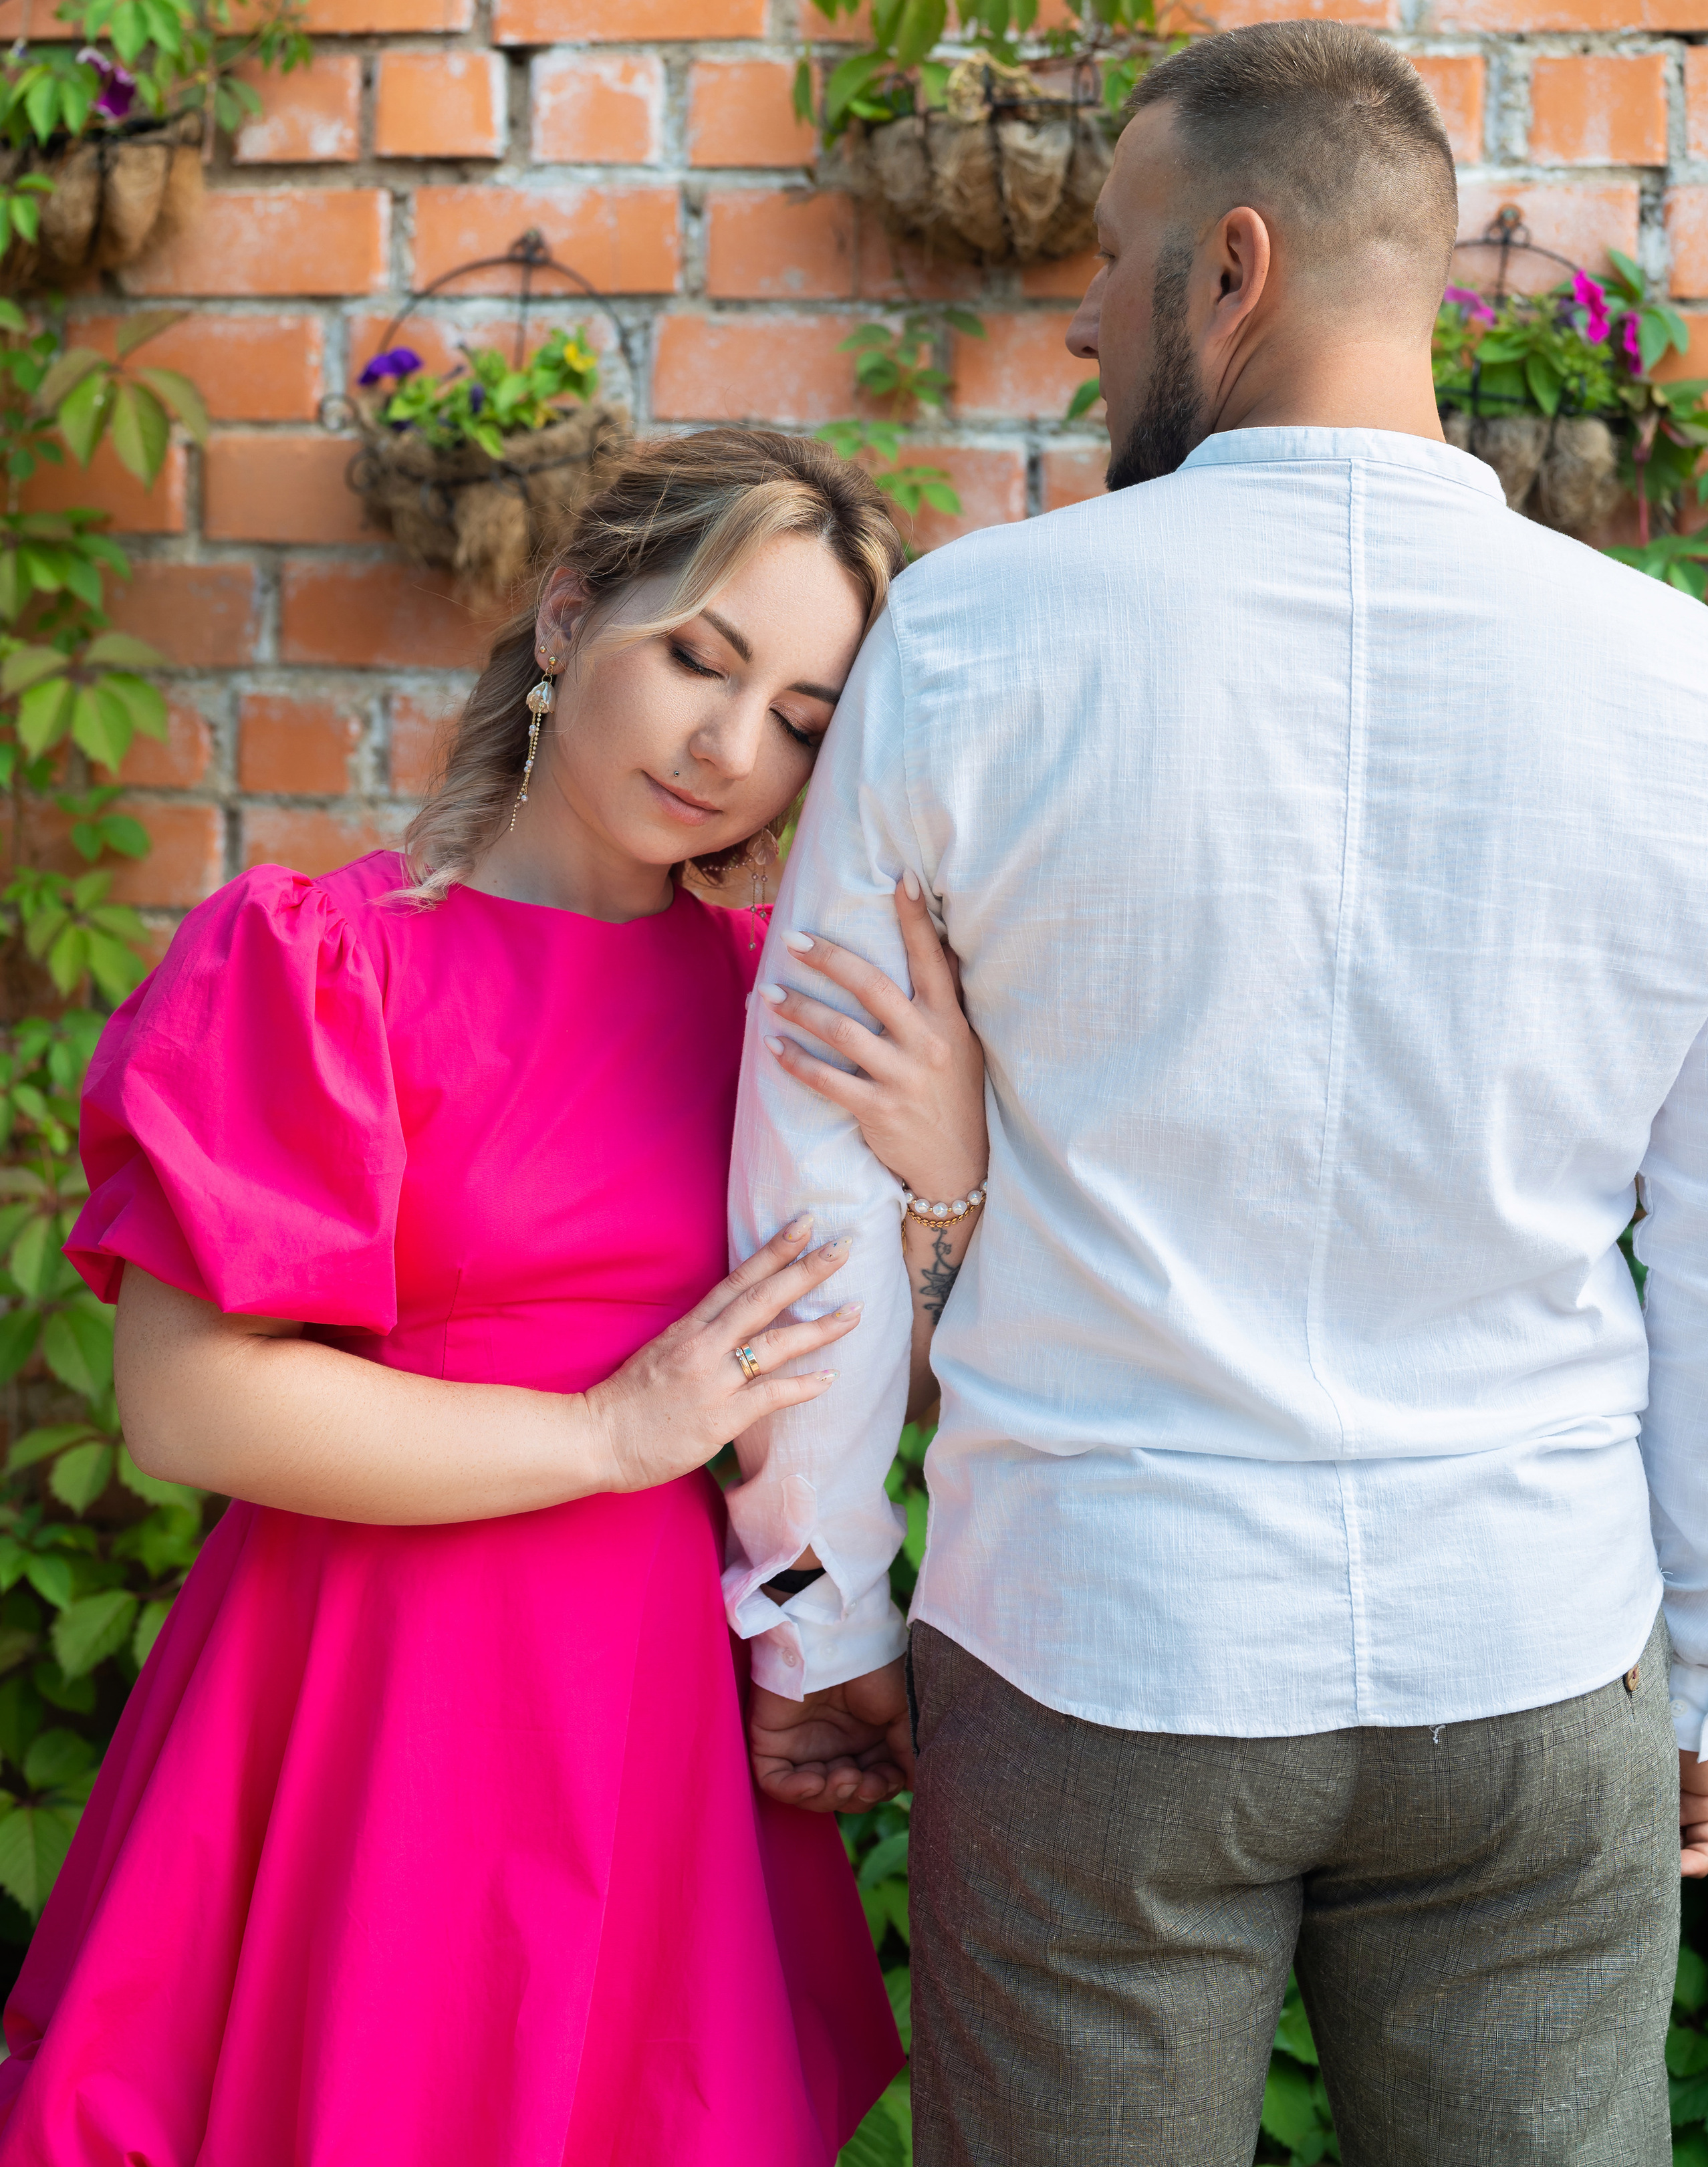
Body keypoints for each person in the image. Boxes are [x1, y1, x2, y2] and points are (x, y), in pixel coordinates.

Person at [727, 21, 1708, 2166]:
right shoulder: (1682, 687)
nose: (1086, 319)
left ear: (1234, 265)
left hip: (1099, 1637)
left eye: (1111, 255)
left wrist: (818, 1598)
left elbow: (816, 1155)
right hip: (1528, 1640)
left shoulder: (971, 640)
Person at [0, 430, 979, 2167]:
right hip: (373, 1692)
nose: (728, 748)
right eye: (700, 657)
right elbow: (187, 1400)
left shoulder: (780, 1009)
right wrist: (608, 1433)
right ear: (568, 612)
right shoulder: (326, 961)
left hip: (652, 1719)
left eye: (800, 718)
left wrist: (945, 1163)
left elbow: (878, 1382)